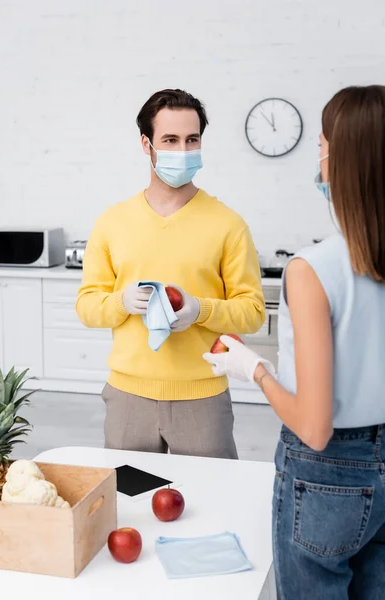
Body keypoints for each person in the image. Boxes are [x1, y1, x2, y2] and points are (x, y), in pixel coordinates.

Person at [203, 85, 385, 598]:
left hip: (328, 476)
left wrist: (253, 369)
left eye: (322, 147)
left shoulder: (313, 269)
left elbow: (315, 426)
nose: (318, 161)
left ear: (343, 161)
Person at [76, 89, 265, 459]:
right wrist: (121, 302)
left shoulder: (228, 225)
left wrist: (201, 310)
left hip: (203, 399)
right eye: (170, 140)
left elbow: (253, 311)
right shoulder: (112, 223)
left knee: (214, 502)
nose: (183, 150)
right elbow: (87, 306)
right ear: (147, 145)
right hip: (127, 396)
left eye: (192, 139)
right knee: (125, 503)